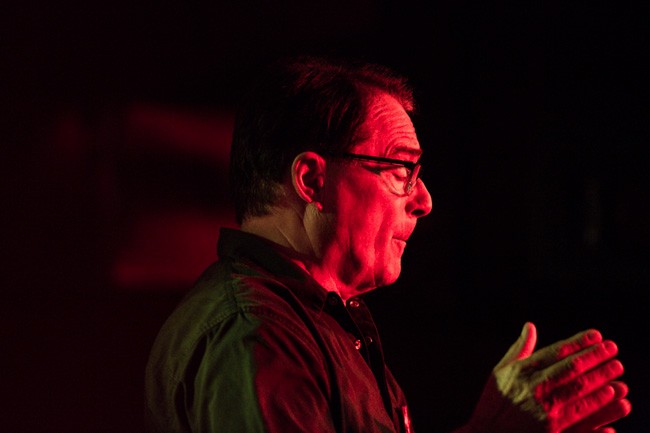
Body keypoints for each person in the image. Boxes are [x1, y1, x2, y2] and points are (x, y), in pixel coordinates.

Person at [144, 55, 631, 433]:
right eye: (401, 170)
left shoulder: (320, 322)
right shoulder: (255, 334)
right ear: (312, 180)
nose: (424, 200)